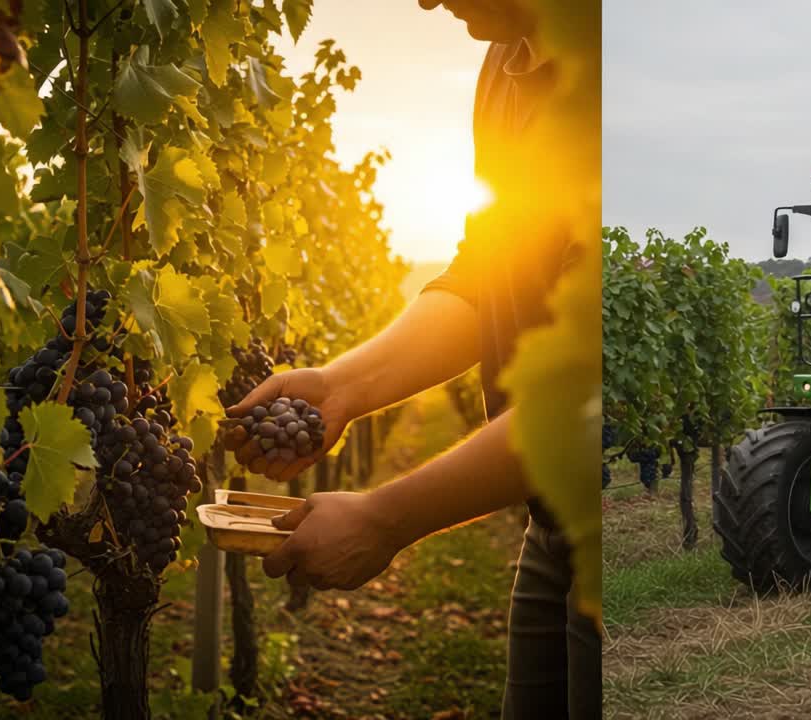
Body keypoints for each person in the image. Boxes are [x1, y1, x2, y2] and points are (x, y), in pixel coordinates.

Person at [225, 2, 600, 718]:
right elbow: (488, 275)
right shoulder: (505, 66)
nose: (426, 1)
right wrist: (343, 386)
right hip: (552, 527)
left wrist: (386, 518)